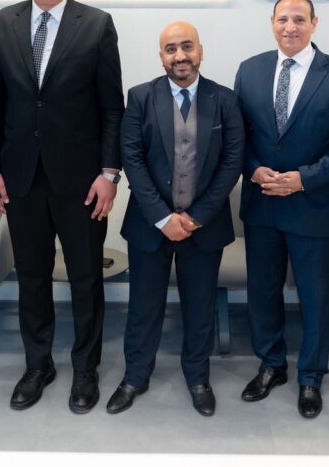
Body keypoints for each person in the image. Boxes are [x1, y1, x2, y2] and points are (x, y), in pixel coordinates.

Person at [0, 0, 125, 415]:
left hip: (82, 181)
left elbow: (112, 106)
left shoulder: (97, 24)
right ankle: (37, 365)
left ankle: (85, 368)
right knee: (32, 276)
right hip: (21, 177)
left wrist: (109, 173)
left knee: (85, 277)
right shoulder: (3, 22)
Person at [233, 0, 329, 419]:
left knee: (314, 296)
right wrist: (253, 170)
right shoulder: (249, 70)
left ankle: (311, 375)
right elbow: (237, 136)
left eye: (299, 19)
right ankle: (271, 364)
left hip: (314, 206)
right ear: (272, 22)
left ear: (314, 23)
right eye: (283, 19)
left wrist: (303, 178)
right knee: (262, 292)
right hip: (262, 205)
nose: (290, 27)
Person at [109, 21, 244, 417]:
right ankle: (135, 376)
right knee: (143, 306)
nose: (180, 55)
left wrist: (196, 217)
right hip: (149, 225)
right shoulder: (140, 97)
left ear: (201, 51)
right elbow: (132, 158)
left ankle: (198, 378)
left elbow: (232, 162)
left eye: (187, 46)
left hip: (205, 226)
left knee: (200, 307)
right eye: (171, 49)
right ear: (161, 56)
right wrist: (162, 217)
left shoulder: (225, 100)